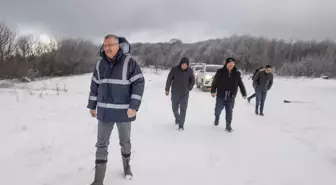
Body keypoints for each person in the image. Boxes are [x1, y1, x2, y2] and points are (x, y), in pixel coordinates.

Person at [87, 34, 145, 184]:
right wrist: (92, 105)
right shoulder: (100, 64)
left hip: (124, 113)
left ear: (118, 46)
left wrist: (134, 106)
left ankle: (127, 167)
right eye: (105, 45)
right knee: (101, 145)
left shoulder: (129, 63)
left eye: (110, 45)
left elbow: (139, 83)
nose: (106, 48)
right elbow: (94, 86)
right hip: (104, 113)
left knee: (125, 142)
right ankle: (98, 181)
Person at [210, 57, 247, 132]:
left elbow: (240, 84)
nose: (231, 65)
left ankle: (228, 125)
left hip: (231, 96)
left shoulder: (237, 73)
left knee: (229, 111)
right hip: (221, 95)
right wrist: (213, 91)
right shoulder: (220, 71)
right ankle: (217, 117)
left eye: (233, 63)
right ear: (226, 63)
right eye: (230, 63)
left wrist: (244, 93)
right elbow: (215, 82)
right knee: (218, 110)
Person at [165, 57, 195, 130]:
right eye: (183, 64)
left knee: (183, 109)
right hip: (175, 92)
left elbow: (193, 80)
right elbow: (169, 79)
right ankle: (177, 117)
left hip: (185, 93)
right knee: (174, 107)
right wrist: (167, 89)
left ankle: (181, 125)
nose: (184, 66)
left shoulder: (190, 71)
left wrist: (189, 87)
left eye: (186, 65)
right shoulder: (174, 70)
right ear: (180, 64)